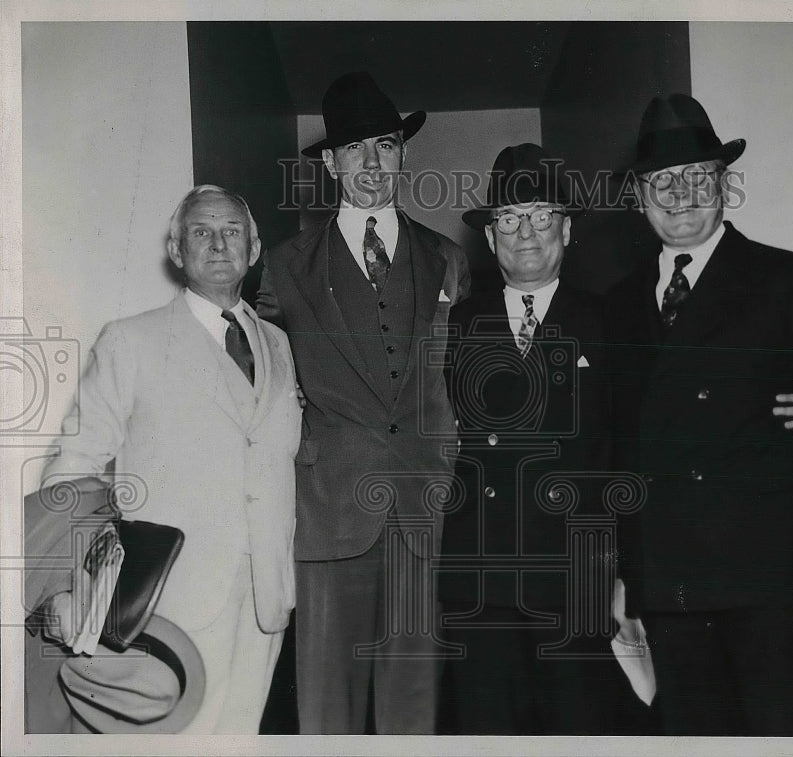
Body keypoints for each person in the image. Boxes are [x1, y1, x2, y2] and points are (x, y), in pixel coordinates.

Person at [607, 93, 793, 736]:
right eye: (661, 181)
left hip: (775, 586)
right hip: (673, 590)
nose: (680, 194)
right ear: (639, 197)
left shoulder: (788, 279)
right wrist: (631, 580)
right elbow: (622, 454)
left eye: (698, 176)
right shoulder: (618, 304)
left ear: (724, 185)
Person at [26, 185, 301, 733]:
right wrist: (74, 589)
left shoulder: (276, 344)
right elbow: (73, 472)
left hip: (266, 601)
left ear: (254, 247)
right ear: (177, 251)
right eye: (201, 232)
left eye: (232, 232)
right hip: (167, 599)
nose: (219, 244)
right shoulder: (131, 341)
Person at [256, 71, 470, 734]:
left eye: (385, 144)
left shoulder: (447, 259)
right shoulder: (285, 264)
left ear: (403, 153)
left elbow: (465, 377)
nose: (372, 162)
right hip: (329, 510)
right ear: (330, 162)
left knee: (415, 704)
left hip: (423, 506)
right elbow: (253, 368)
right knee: (329, 708)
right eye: (355, 148)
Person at [437, 143, 628, 734]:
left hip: (576, 576)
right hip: (480, 577)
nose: (526, 233)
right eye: (510, 220)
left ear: (566, 231)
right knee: (485, 731)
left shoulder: (610, 320)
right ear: (491, 238)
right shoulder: (457, 324)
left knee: (578, 731)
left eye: (542, 216)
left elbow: (636, 442)